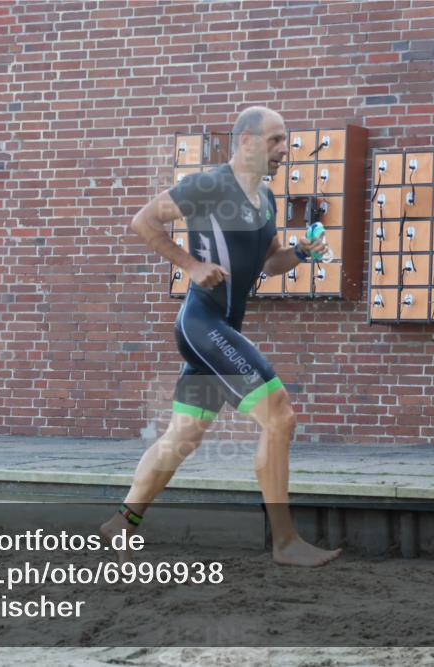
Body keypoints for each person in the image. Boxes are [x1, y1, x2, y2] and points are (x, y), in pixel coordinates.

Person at [100, 106, 341, 567]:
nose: (284, 150)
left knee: (183, 436)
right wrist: (190, 265)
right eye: (275, 140)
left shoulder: (266, 200)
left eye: (285, 141)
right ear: (246, 141)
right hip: (203, 326)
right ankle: (285, 543)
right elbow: (143, 221)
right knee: (280, 418)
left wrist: (300, 253)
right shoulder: (209, 185)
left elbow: (269, 264)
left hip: (220, 332)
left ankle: (120, 523)